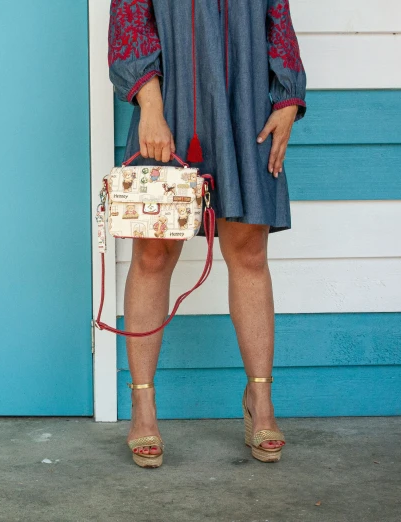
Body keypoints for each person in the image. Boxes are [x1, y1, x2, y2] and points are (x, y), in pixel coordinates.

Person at [108, 0, 306, 467]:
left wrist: (288, 99)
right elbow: (131, 22)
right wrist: (150, 106)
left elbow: (278, 20)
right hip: (168, 109)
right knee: (154, 256)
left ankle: (260, 402)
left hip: (247, 111)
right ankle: (143, 407)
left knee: (250, 253)